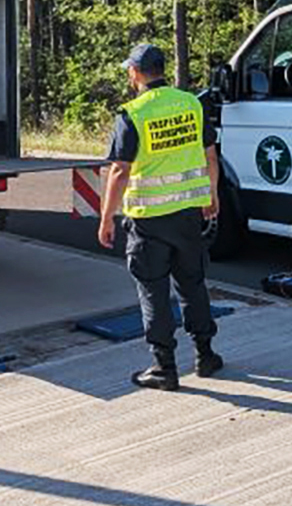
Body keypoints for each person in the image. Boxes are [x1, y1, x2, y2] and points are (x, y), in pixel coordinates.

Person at [96, 43, 224, 391]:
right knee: (192, 284)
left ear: (135, 73)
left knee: (153, 290)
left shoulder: (133, 113)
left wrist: (106, 218)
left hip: (149, 219)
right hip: (188, 214)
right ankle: (205, 355)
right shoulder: (191, 104)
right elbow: (210, 155)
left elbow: (120, 171)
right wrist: (211, 195)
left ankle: (164, 367)